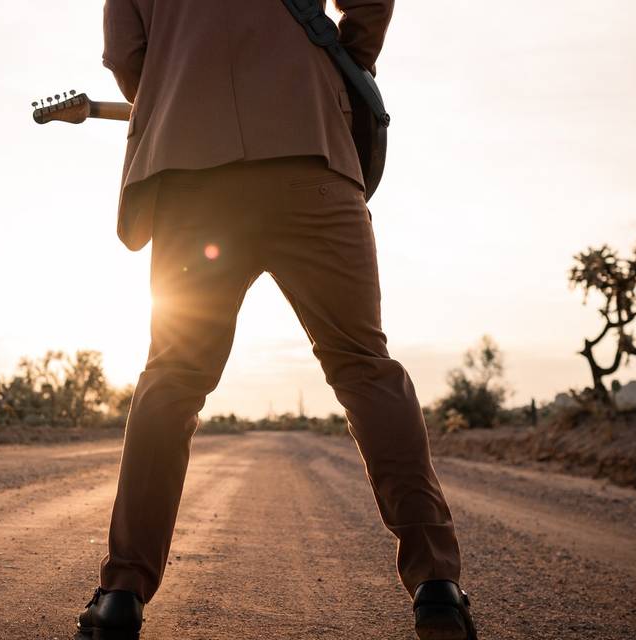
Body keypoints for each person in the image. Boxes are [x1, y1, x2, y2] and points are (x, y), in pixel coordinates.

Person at [78, 1, 478, 638]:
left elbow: (126, 56)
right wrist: (332, 72)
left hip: (191, 179)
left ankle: (121, 592)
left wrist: (188, 92)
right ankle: (437, 585)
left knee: (174, 378)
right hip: (310, 154)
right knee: (364, 368)